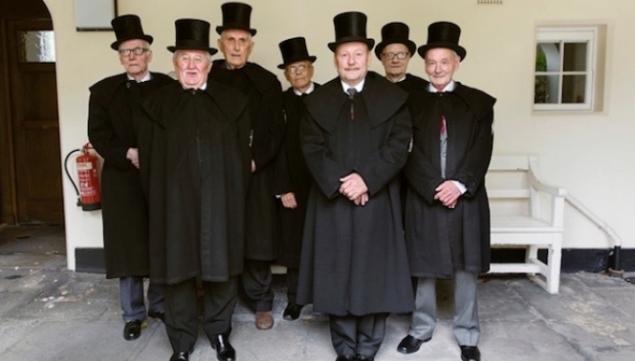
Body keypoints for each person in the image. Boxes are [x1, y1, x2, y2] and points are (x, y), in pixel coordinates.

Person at [296, 11, 414, 361]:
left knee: (373, 271)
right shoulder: (317, 101)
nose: (351, 61)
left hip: (376, 200)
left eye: (357, 54)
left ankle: (369, 346)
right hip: (332, 200)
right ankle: (345, 348)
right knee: (337, 273)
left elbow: (399, 144)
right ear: (335, 59)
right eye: (344, 55)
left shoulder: (391, 97)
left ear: (368, 56)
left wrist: (366, 180)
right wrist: (341, 183)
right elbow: (311, 147)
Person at [138, 18, 251, 361]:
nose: (191, 65)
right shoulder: (155, 104)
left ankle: (219, 334)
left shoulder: (232, 101)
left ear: (209, 65)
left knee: (222, 270)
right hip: (174, 204)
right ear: (174, 63)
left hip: (220, 201)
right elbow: (149, 161)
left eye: (198, 59)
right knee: (177, 273)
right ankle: (182, 343)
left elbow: (241, 157)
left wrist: (233, 199)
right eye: (184, 59)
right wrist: (159, 202)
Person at [397, 21, 496, 361]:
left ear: (457, 62)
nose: (437, 68)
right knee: (423, 266)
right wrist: (432, 187)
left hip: (465, 195)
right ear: (424, 65)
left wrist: (458, 184)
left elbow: (482, 149)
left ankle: (468, 335)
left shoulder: (478, 103)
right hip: (424, 195)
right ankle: (420, 329)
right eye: (431, 62)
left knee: (466, 267)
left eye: (444, 61)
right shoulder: (408, 103)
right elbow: (405, 152)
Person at [87, 14, 173, 341]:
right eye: (125, 52)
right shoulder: (104, 91)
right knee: (128, 247)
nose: (132, 57)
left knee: (163, 239)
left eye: (138, 50)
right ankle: (133, 313)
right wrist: (127, 153)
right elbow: (98, 133)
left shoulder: (167, 87)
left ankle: (161, 304)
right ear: (120, 57)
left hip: (162, 178)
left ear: (149, 53)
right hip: (123, 180)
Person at [209, 1, 284, 330]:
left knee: (256, 236)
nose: (236, 47)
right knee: (219, 235)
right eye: (230, 40)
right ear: (220, 43)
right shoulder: (205, 74)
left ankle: (261, 301)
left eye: (242, 41)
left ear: (250, 45)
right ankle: (219, 302)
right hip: (215, 174)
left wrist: (256, 161)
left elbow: (274, 131)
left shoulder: (266, 82)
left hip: (255, 171)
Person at [274, 36, 320, 321]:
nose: (298, 73)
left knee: (324, 242)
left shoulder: (329, 96)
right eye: (292, 69)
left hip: (322, 185)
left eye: (302, 67)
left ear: (311, 69)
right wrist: (282, 188)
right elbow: (275, 148)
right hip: (293, 186)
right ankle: (295, 300)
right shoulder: (279, 103)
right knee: (294, 246)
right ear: (286, 74)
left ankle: (324, 297)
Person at [376, 22, 428, 92]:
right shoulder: (372, 89)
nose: (395, 60)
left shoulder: (424, 88)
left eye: (401, 54)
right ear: (382, 58)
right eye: (389, 55)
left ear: (408, 56)